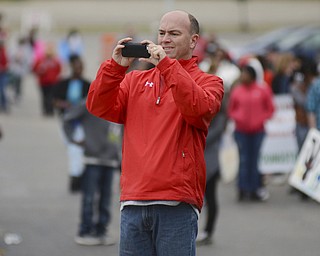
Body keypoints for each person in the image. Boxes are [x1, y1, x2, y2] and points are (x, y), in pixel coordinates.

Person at [86, 10, 224, 256]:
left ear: (193, 40)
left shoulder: (209, 82)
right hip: (133, 201)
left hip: (176, 204)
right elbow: (98, 106)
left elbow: (197, 108)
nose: (165, 39)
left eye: (174, 33)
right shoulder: (134, 81)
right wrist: (115, 69)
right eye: (161, 33)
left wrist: (166, 66)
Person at [63, 100, 122, 246]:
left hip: (110, 159)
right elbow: (68, 119)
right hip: (92, 158)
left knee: (106, 198)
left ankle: (101, 230)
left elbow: (118, 131)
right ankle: (85, 230)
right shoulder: (90, 102)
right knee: (89, 197)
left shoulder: (120, 101)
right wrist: (74, 140)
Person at [228, 65, 274, 201]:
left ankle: (254, 189)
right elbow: (231, 109)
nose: (243, 76)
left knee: (254, 160)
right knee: (244, 159)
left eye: (245, 73)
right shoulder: (237, 91)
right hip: (241, 131)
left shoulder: (262, 90)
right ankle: (242, 189)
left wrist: (260, 119)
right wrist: (238, 117)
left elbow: (270, 108)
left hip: (258, 131)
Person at [53, 54, 90, 192]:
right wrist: (64, 105)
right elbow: (54, 100)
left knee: (76, 149)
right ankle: (76, 176)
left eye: (81, 67)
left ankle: (76, 177)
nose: (79, 69)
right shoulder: (63, 83)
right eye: (77, 67)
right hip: (66, 120)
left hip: (80, 122)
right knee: (72, 148)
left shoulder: (87, 84)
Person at [33, 43, 62, 116]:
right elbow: (35, 69)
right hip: (43, 82)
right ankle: (45, 110)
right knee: (44, 97)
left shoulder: (55, 61)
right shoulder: (41, 61)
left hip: (53, 82)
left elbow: (59, 70)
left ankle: (50, 110)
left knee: (51, 97)